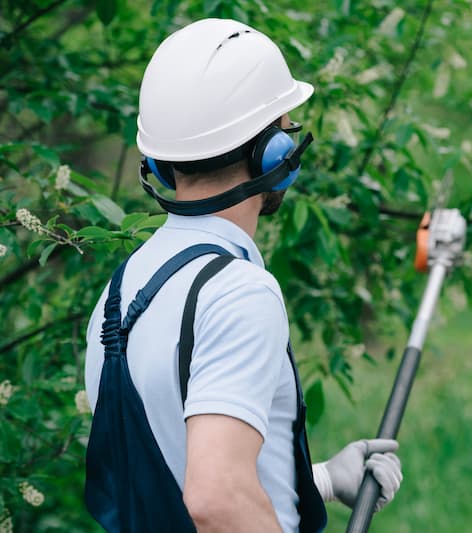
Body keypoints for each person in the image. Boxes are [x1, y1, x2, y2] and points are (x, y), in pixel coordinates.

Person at [83, 18, 402, 532]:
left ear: (161, 166)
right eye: (285, 128)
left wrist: (319, 481)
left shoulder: (121, 292)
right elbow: (216, 497)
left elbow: (167, 481)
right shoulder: (237, 292)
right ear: (273, 156)